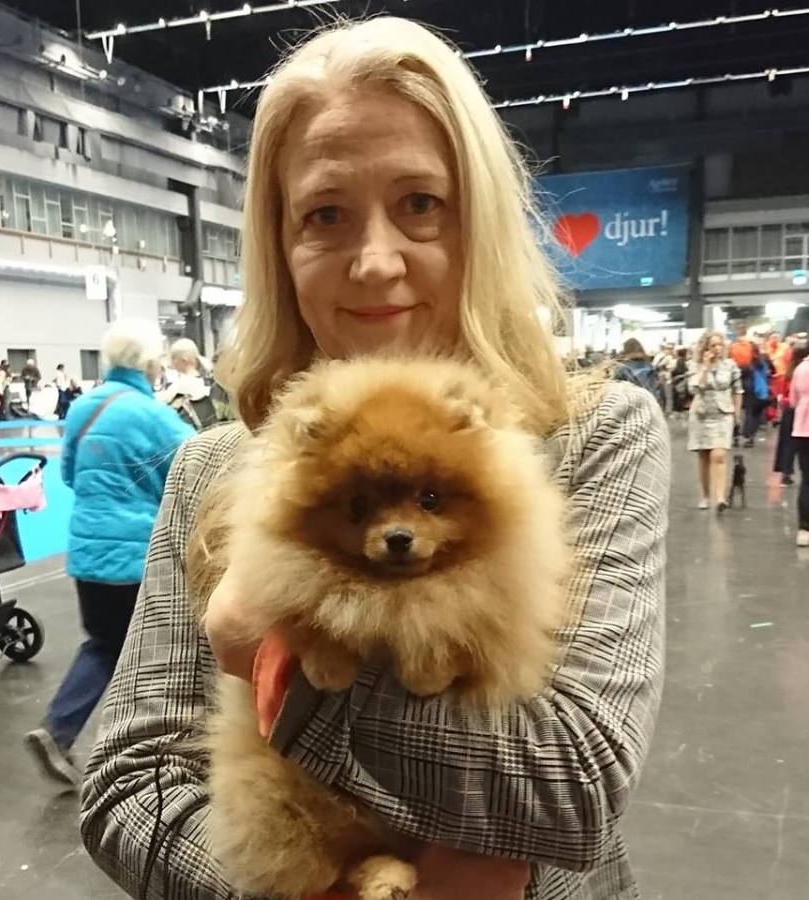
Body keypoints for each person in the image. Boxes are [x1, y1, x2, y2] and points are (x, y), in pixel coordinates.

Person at [80, 19, 669, 900]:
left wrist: (279, 664)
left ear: (480, 220)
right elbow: (127, 786)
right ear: (280, 246)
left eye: (420, 203)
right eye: (326, 214)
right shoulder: (209, 468)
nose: (376, 262)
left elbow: (576, 792)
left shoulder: (595, 433)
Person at [24, 319, 194, 785]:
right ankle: (142, 747)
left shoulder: (83, 408)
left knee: (103, 644)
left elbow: (69, 475)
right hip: (138, 558)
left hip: (87, 553)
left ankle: (59, 729)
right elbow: (191, 475)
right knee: (160, 651)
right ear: (150, 363)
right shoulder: (159, 418)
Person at [688, 330, 743, 512]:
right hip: (701, 415)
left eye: (720, 344)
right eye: (713, 345)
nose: (717, 348)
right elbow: (694, 389)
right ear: (705, 347)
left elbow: (738, 390)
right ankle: (705, 495)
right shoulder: (695, 365)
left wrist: (736, 414)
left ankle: (720, 497)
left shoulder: (730, 365)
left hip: (723, 414)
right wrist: (705, 367)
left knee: (718, 455)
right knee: (704, 457)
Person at [159, 338, 218, 429]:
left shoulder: (182, 384)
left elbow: (161, 403)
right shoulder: (209, 380)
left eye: (173, 358)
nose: (172, 362)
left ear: (184, 359)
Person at [774, 340, 809, 487]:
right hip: (802, 411)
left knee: (788, 444)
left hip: (791, 410)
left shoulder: (791, 372)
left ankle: (786, 472)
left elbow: (785, 394)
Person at [789, 344, 809, 547]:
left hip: (803, 430)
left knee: (806, 481)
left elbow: (793, 401)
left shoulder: (801, 368)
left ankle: (804, 529)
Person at [614, 337, 662, 405]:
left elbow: (616, 389)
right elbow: (656, 389)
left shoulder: (622, 368)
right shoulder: (649, 366)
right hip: (650, 402)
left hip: (631, 403)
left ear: (626, 350)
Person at [653, 341, 677, 414]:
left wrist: (665, 365)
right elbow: (654, 365)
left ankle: (668, 411)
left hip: (667, 376)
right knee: (660, 394)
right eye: (667, 348)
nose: (669, 350)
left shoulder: (673, 358)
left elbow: (672, 368)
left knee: (668, 394)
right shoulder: (659, 356)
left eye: (671, 349)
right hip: (659, 375)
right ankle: (661, 410)